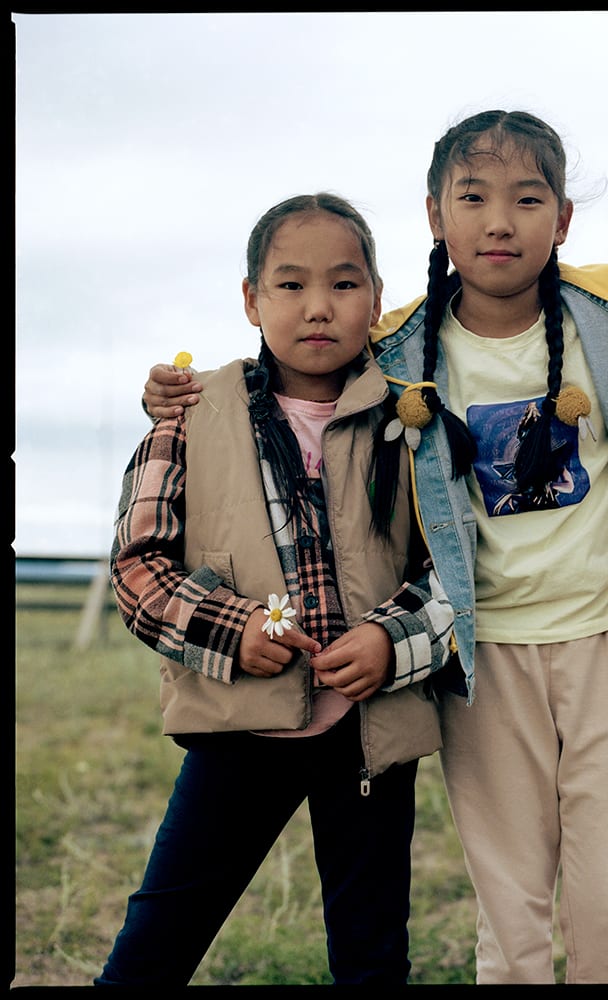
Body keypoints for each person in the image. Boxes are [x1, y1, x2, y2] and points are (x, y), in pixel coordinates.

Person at [140, 111, 608, 985]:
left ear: (562, 218)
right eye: (473, 198)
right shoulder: (397, 345)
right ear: (434, 215)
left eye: (527, 199)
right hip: (481, 656)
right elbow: (298, 338)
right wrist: (177, 391)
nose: (499, 223)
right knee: (511, 909)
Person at [96, 193, 454, 987]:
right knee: (158, 943)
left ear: (376, 297)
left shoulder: (413, 418)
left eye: (344, 284)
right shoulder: (190, 416)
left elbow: (456, 568)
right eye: (290, 284)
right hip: (240, 730)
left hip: (369, 736)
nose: (318, 306)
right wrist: (233, 628)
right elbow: (138, 567)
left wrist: (391, 641)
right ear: (251, 299)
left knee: (372, 956)